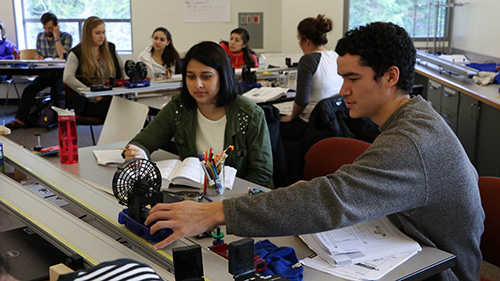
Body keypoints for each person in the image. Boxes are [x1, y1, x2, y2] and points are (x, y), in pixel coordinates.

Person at [143, 22, 484, 281]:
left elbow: (332, 197)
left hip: (440, 270)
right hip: (405, 241)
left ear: (390, 77)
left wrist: (213, 213)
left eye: (352, 79)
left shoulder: (412, 141)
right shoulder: (412, 118)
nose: (342, 90)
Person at [125, 41, 273, 187]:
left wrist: (225, 201)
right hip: (193, 194)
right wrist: (138, 153)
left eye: (206, 76)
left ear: (222, 76)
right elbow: (141, 142)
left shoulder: (250, 114)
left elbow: (261, 173)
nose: (197, 84)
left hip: (238, 200)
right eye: (191, 77)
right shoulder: (178, 107)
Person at [6, 12, 72, 129]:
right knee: (29, 90)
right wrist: (38, 58)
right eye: (45, 28)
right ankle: (20, 119)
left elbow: (63, 56)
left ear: (56, 26)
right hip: (45, 73)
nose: (47, 31)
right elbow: (39, 54)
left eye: (50, 28)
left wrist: (56, 37)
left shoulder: (66, 37)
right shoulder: (40, 37)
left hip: (59, 74)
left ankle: (56, 119)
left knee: (57, 92)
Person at [280, 15, 343, 133]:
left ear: (306, 41)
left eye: (299, 39)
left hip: (313, 122)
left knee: (272, 123)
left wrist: (291, 117)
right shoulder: (335, 55)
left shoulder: (308, 59)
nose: (299, 43)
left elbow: (302, 100)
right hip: (334, 119)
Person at [63, 16, 124, 120]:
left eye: (103, 32)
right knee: (121, 112)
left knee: (135, 110)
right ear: (88, 34)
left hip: (112, 98)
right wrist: (90, 93)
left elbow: (122, 69)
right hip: (89, 103)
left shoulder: (110, 48)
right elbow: (67, 78)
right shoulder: (77, 53)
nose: (102, 36)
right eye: (97, 33)